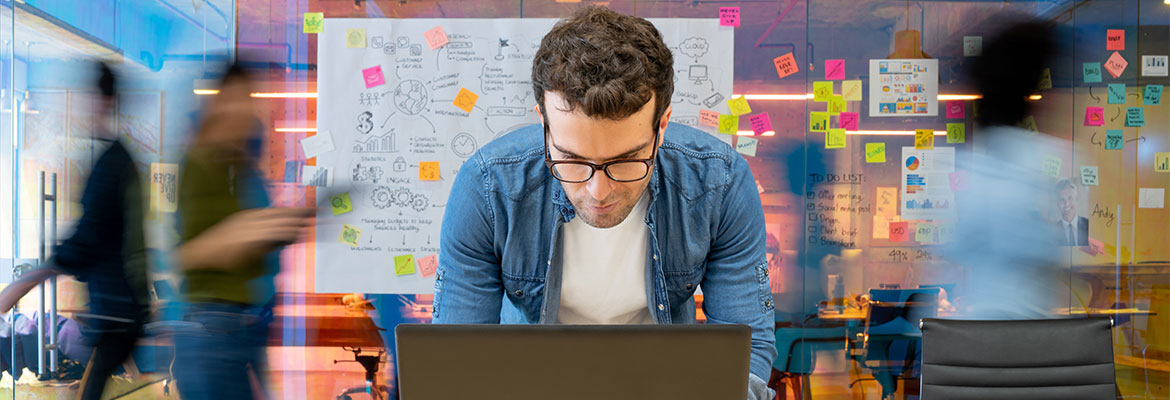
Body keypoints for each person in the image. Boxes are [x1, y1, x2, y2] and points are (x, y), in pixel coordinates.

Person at [433, 7, 776, 399]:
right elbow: (456, 364)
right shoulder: (488, 187)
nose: (598, 191)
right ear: (544, 124)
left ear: (661, 127)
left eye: (626, 161)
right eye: (573, 160)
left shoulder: (719, 182)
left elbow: (743, 354)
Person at [0, 61, 150, 400]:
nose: (79, 106)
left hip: (116, 313)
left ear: (103, 101)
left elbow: (86, 243)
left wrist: (22, 284)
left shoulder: (112, 165)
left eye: (85, 97)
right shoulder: (117, 160)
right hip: (119, 311)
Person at [171, 64, 312, 399]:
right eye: (235, 100)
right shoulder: (200, 164)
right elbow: (187, 253)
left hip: (248, 321)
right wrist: (249, 232)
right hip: (212, 326)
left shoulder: (241, 169)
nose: (244, 110)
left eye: (248, 99)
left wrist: (282, 227)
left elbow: (256, 237)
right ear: (218, 105)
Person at [942, 20, 1067, 320]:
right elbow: (1045, 250)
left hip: (986, 325)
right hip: (1028, 326)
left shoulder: (975, 161)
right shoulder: (1046, 157)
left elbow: (961, 245)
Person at [1053, 179, 1089, 246]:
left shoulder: (1089, 226)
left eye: (1070, 198)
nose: (1067, 204)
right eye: (1062, 200)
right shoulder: (1052, 232)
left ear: (1076, 199)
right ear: (1057, 204)